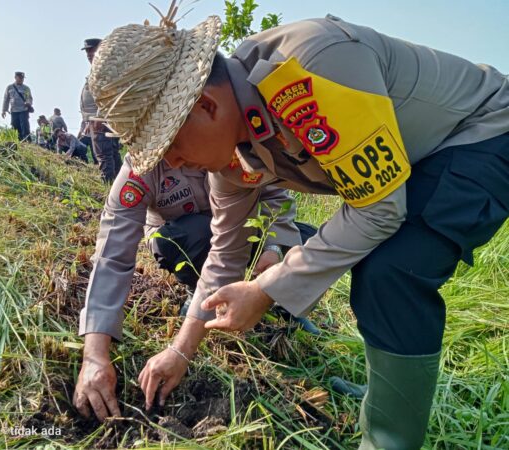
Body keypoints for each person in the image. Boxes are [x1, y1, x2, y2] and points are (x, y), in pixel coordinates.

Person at [88, 13, 509, 449]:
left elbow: (380, 209)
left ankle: (388, 438)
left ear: (206, 107)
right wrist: (180, 351)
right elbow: (224, 253)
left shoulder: (308, 64)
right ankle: (387, 398)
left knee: (391, 272)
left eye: (170, 146)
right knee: (369, 259)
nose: (170, 164)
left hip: (482, 131)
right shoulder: (234, 158)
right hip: (414, 161)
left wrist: (267, 288)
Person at [73, 152, 317, 420]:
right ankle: (200, 293)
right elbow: (112, 257)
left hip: (241, 226)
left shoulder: (237, 147)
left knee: (305, 240)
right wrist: (95, 355)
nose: (177, 158)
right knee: (190, 235)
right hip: (192, 236)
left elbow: (275, 198)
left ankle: (278, 304)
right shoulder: (140, 167)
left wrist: (273, 247)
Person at [80, 38, 122, 183]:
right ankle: (118, 186)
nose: (89, 54)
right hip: (97, 120)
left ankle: (110, 187)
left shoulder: (104, 70)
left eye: (92, 50)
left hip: (101, 120)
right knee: (111, 154)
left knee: (104, 155)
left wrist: (98, 118)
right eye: (87, 51)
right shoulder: (98, 70)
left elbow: (107, 96)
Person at [2, 71, 33, 141]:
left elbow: (29, 98)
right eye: (20, 78)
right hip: (14, 110)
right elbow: (6, 99)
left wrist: (28, 103)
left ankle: (27, 141)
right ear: (15, 77)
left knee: (24, 126)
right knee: (15, 126)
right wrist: (4, 110)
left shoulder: (26, 88)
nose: (21, 79)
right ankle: (18, 140)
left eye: (22, 78)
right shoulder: (9, 87)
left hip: (23, 110)